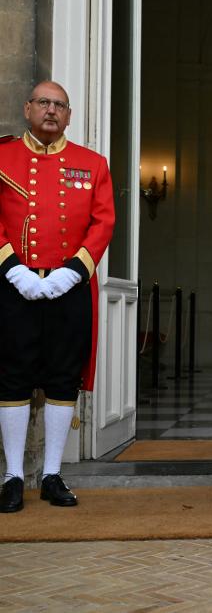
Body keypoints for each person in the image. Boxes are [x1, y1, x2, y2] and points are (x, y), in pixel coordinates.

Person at [0, 81, 115, 513]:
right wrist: (13, 269)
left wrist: (73, 271)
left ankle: (51, 474)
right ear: (28, 108)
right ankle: (12, 476)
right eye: (44, 103)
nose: (51, 111)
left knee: (63, 379)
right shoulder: (3, 157)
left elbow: (103, 223)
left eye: (60, 106)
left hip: (69, 288)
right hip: (15, 287)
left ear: (69, 116)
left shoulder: (93, 164)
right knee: (13, 377)